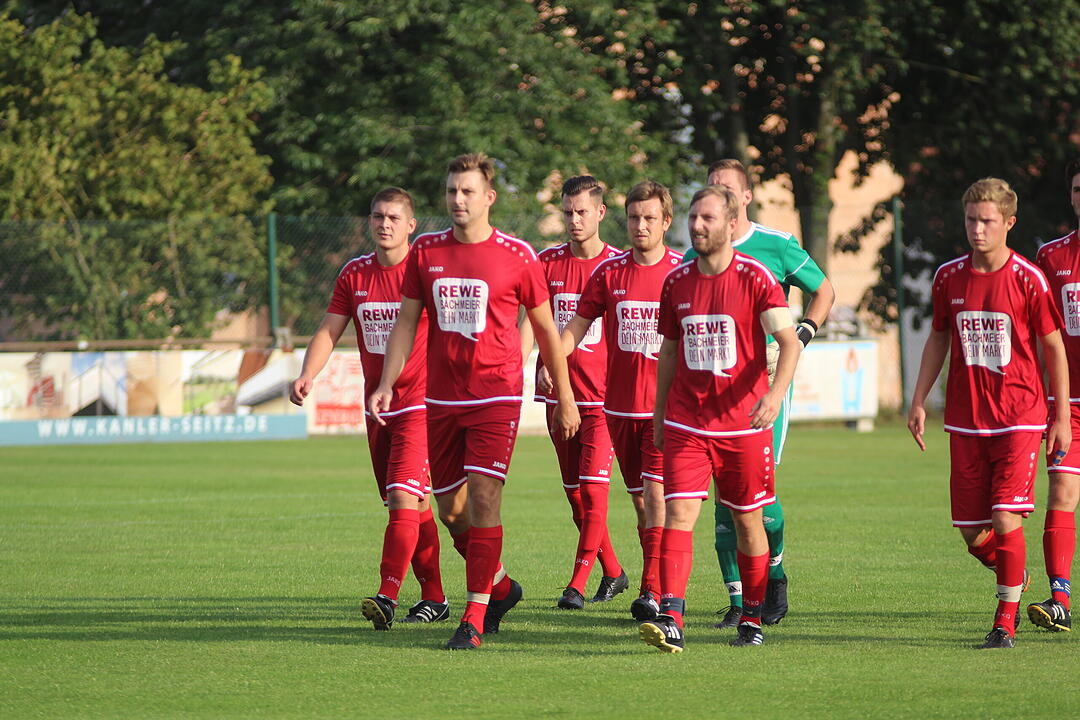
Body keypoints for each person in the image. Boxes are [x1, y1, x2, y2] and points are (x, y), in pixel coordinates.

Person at [370, 153, 580, 650]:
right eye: (451, 191)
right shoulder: (425, 252)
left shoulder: (518, 255)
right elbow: (405, 323)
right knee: (451, 513)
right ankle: (502, 588)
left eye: (467, 191)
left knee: (485, 500)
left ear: (488, 197)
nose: (457, 200)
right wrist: (385, 382)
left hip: (496, 396)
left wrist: (565, 397)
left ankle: (474, 616)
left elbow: (548, 329)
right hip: (440, 400)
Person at [908, 177, 1070, 649]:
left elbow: (1053, 347)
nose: (977, 230)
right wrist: (918, 398)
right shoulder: (948, 276)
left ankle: (1005, 622)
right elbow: (939, 336)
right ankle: (1017, 572)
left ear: (1009, 223)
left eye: (987, 222)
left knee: (1004, 518)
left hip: (1020, 417)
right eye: (971, 220)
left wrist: (1058, 417)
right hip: (965, 419)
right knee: (970, 531)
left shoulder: (1027, 278)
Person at [638, 185, 800, 652]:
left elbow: (787, 342)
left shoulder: (755, 277)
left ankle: (752, 616)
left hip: (742, 425)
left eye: (707, 217)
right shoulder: (678, 280)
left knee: (748, 522)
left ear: (731, 224)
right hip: (689, 423)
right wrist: (660, 412)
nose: (698, 225)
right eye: (693, 217)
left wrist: (774, 395)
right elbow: (668, 351)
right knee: (678, 515)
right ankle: (671, 615)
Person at [684, 159, 835, 628]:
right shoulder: (694, 254)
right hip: (711, 387)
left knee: (757, 495)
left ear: (745, 198)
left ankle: (775, 573)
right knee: (721, 497)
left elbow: (823, 290)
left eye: (727, 190)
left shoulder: (776, 245)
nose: (718, 198)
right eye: (712, 190)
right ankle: (737, 600)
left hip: (765, 380)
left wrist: (803, 332)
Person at [289, 187, 447, 629]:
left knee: (402, 497)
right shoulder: (354, 275)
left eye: (395, 217)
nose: (385, 224)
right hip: (378, 409)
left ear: (411, 225)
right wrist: (308, 373)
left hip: (421, 403)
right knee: (412, 508)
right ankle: (434, 597)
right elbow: (328, 328)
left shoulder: (426, 274)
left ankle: (387, 596)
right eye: (378, 216)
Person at [563, 180, 684, 621]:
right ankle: (647, 580)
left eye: (650, 218)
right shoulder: (609, 272)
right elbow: (576, 327)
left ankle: (653, 591)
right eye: (634, 217)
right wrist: (553, 359)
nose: (640, 225)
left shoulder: (681, 271)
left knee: (655, 496)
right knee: (639, 500)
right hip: (617, 410)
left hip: (665, 411)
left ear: (666, 222)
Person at [521, 175, 628, 609]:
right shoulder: (546, 263)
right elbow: (534, 322)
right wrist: (541, 364)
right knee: (574, 495)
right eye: (567, 212)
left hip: (605, 400)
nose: (574, 219)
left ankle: (578, 583)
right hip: (559, 398)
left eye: (582, 211)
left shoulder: (620, 265)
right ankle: (615, 572)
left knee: (594, 489)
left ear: (600, 213)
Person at [1030, 158, 1080, 632]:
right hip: (1071, 405)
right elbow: (1038, 333)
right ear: (1071, 195)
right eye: (1079, 188)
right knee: (1062, 490)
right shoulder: (1052, 257)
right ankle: (1060, 598)